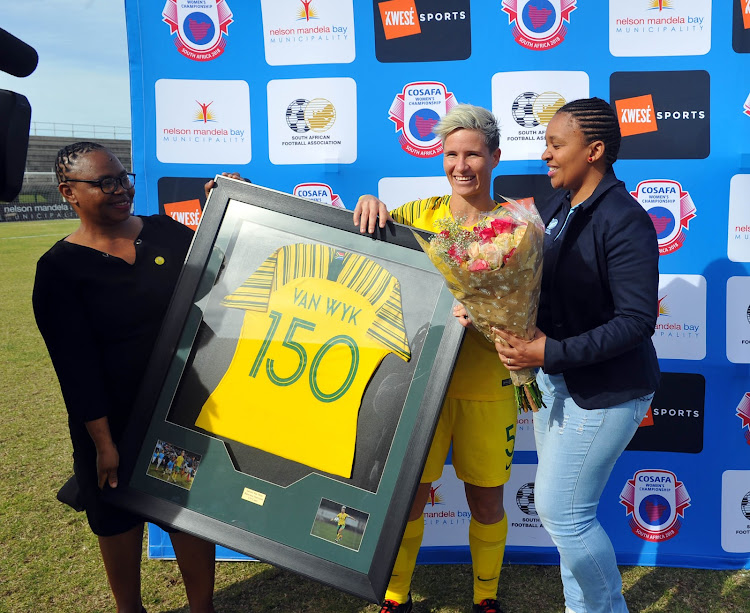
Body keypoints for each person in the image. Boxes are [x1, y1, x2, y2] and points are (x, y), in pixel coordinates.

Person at [32, 142, 231, 613]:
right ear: (69, 192)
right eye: (105, 183)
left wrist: (225, 204)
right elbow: (74, 365)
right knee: (115, 515)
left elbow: (221, 272)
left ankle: (202, 607)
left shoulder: (166, 233)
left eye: (123, 178)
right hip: (110, 422)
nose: (120, 190)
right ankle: (130, 609)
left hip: (178, 410)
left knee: (184, 513)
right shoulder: (58, 269)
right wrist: (103, 443)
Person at [494, 98, 660, 613]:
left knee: (564, 514)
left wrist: (550, 350)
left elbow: (637, 321)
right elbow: (527, 285)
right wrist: (486, 306)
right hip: (555, 385)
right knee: (571, 515)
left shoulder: (625, 219)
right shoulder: (554, 209)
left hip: (607, 390)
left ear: (594, 150)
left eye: (555, 144)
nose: (545, 154)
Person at [354, 104, 516, 613]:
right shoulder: (413, 217)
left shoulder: (518, 227)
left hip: (488, 385)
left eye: (472, 154)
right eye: (450, 154)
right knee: (409, 496)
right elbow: (361, 253)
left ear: (494, 156)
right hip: (419, 383)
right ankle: (396, 592)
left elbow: (531, 307)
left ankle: (486, 596)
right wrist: (366, 205)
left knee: (486, 497)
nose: (460, 166)